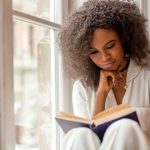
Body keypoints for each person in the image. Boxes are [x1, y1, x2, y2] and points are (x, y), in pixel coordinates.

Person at [58, 0, 150, 149]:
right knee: (78, 134)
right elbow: (90, 140)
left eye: (110, 46)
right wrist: (101, 94)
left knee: (124, 127)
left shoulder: (147, 77)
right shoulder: (82, 88)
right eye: (94, 52)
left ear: (124, 40)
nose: (105, 57)